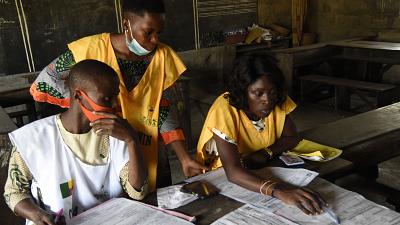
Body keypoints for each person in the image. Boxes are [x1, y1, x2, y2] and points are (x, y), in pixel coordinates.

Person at [29, 0, 206, 190]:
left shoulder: (163, 56)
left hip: (148, 150)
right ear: (126, 24)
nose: (155, 40)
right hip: (101, 149)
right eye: (148, 32)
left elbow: (165, 108)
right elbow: (44, 82)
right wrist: (92, 107)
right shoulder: (90, 49)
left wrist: (184, 158)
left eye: (158, 33)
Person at [4, 60, 148, 225]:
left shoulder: (116, 132)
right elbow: (14, 192)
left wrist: (132, 140)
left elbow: (137, 192)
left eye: (115, 96)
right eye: (107, 98)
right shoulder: (34, 138)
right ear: (78, 96)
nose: (115, 104)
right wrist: (37, 215)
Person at [196, 54, 326, 215]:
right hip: (221, 178)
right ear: (243, 92)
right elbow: (233, 171)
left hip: (258, 169)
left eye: (272, 92)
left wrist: (266, 152)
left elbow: (291, 137)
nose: (267, 100)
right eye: (257, 93)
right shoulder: (225, 109)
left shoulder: (277, 101)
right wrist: (278, 190)